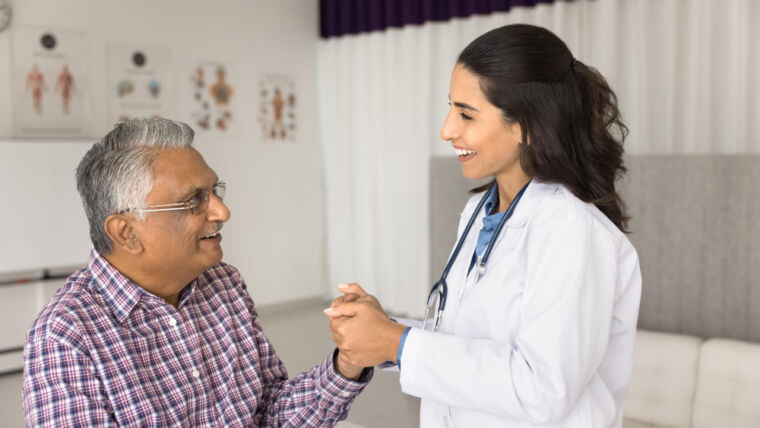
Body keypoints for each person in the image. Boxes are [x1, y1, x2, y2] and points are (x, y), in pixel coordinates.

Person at [325, 24, 642, 427]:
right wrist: (385, 332)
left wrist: (398, 344)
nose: (447, 130)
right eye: (450, 108)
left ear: (528, 125)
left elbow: (543, 389)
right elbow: (472, 339)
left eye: (466, 114)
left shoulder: (571, 229)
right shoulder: (480, 210)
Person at [23, 118, 371, 427]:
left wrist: (347, 363)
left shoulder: (223, 283)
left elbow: (270, 414)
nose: (222, 212)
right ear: (126, 232)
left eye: (214, 191)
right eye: (194, 200)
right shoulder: (65, 337)